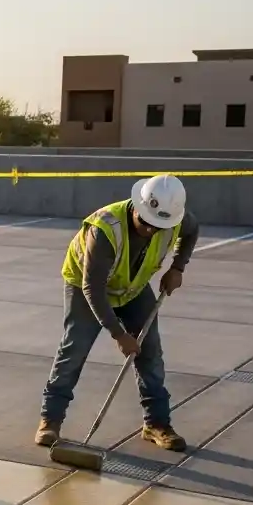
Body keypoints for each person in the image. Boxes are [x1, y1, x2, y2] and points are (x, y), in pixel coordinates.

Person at [37, 174, 199, 452]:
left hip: (132, 288)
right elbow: (92, 289)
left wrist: (178, 267)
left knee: (150, 352)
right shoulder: (105, 228)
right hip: (87, 287)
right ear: (138, 206)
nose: (150, 230)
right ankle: (50, 419)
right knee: (74, 349)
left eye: (158, 226)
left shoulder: (174, 218)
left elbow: (192, 231)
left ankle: (157, 424)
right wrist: (119, 334)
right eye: (146, 223)